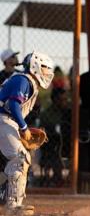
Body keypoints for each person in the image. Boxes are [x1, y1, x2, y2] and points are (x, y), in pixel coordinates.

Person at [0, 52, 54, 215]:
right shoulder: (24, 80)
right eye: (44, 68)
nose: (47, 73)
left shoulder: (24, 80)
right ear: (34, 66)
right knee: (20, 158)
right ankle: (13, 207)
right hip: (3, 119)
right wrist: (24, 128)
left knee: (12, 161)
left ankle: (9, 200)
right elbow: (14, 105)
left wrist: (21, 127)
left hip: (5, 120)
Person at [40, 88, 71, 187]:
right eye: (61, 100)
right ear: (54, 100)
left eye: (66, 99)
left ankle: (73, 181)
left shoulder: (70, 113)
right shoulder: (46, 113)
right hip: (52, 146)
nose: (64, 102)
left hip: (68, 144)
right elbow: (45, 130)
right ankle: (58, 181)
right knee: (54, 154)